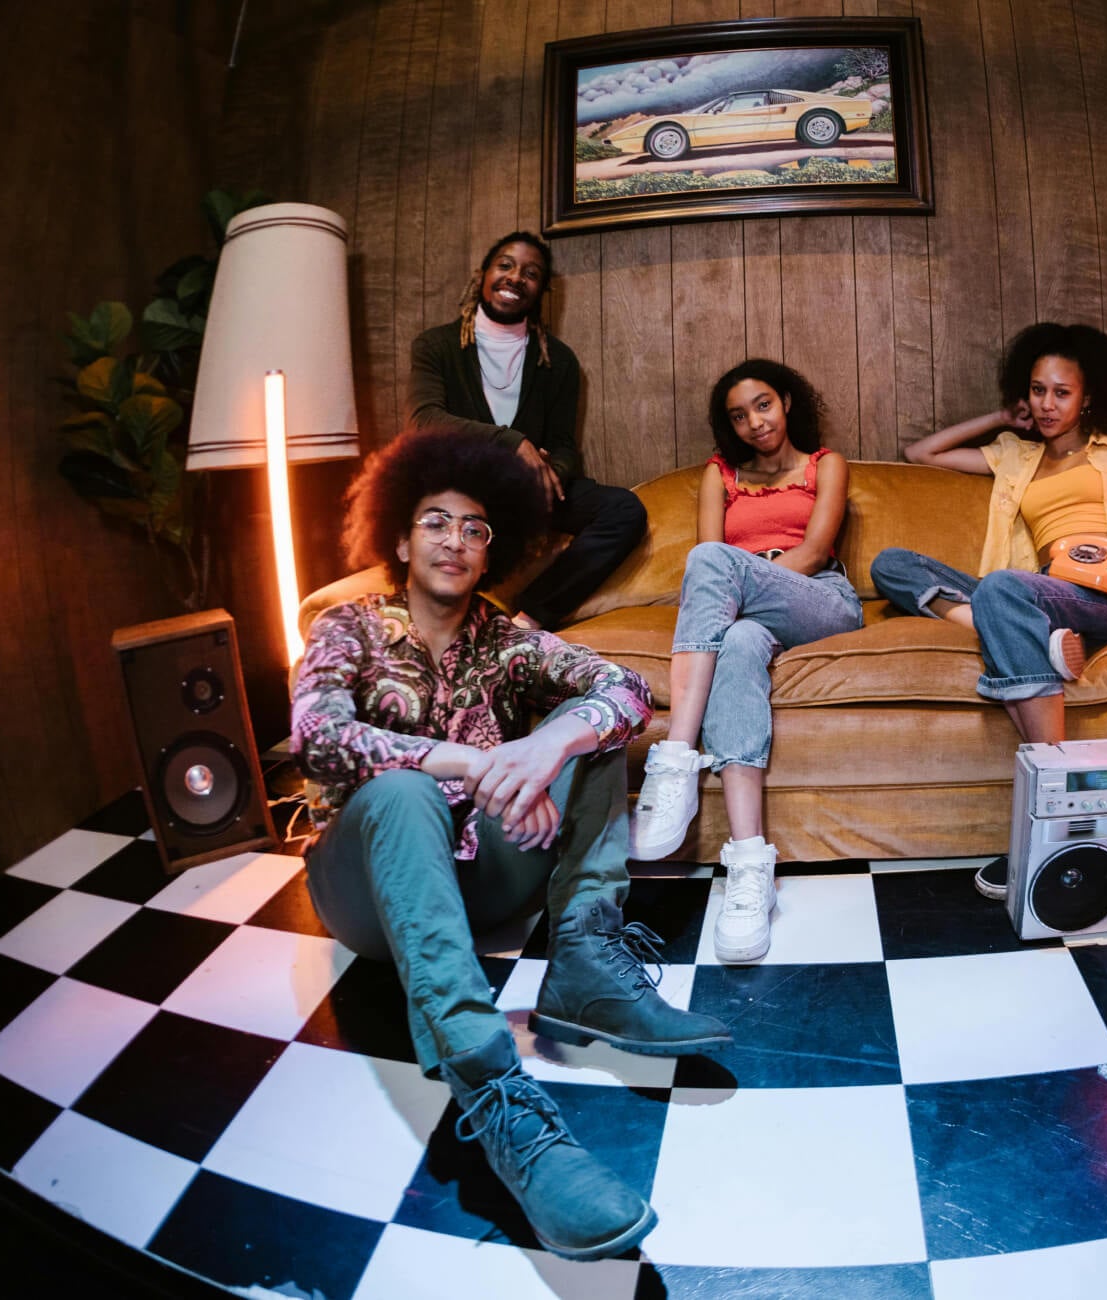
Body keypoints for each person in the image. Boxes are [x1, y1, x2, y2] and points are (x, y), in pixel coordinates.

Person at [291, 428, 730, 1261]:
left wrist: (546, 750)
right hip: (368, 895)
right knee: (403, 788)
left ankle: (586, 966)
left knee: (592, 728)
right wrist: (479, 761)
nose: (456, 540)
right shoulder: (348, 626)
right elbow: (318, 735)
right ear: (398, 536)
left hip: (480, 875)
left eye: (475, 528)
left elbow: (627, 688)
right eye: (436, 521)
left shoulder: (504, 638)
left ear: (492, 550)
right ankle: (496, 1096)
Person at [870, 322, 1107, 901]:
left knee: (1003, 590)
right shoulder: (1015, 456)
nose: (1047, 404)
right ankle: (1013, 629)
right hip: (1034, 592)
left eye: (1062, 392)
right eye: (1037, 390)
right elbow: (920, 453)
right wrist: (1000, 419)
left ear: (1089, 397)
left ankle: (1049, 807)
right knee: (892, 564)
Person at [627, 360, 861, 962]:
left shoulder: (824, 464)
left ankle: (675, 755)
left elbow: (811, 551)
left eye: (763, 405)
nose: (754, 423)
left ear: (785, 402)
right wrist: (734, 596)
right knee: (734, 642)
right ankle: (750, 868)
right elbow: (710, 553)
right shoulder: (721, 475)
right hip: (743, 619)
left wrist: (743, 580)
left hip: (817, 597)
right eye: (739, 415)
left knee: (714, 561)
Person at [405, 230, 646, 630]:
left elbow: (564, 444)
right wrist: (511, 442)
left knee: (623, 509)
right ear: (482, 275)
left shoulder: (559, 361)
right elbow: (423, 421)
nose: (516, 277)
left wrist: (550, 475)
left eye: (531, 273)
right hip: (458, 489)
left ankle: (529, 618)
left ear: (541, 290)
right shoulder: (437, 346)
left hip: (527, 495)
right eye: (505, 265)